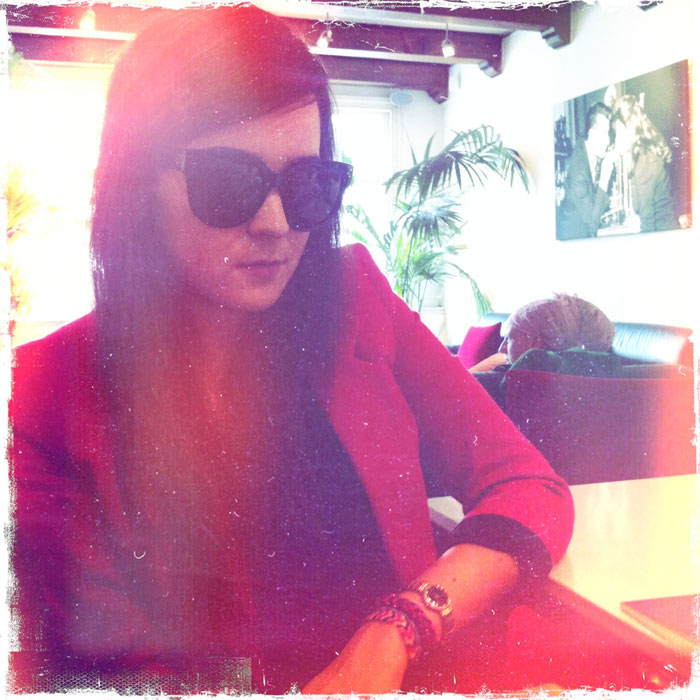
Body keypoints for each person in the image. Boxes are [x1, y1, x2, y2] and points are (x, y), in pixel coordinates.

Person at [9, 7, 573, 695]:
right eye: (228, 184)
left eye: (308, 186)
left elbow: (531, 486)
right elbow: (112, 673)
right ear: (137, 185)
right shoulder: (42, 394)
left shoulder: (355, 300)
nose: (275, 224)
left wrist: (401, 627)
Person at [471, 294, 618, 405]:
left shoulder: (497, 384)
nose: (501, 348)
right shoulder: (611, 379)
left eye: (509, 339)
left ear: (537, 343)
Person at [610, 94, 676, 233]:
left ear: (631, 131)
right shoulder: (638, 156)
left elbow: (647, 225)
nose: (616, 141)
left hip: (663, 236)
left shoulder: (645, 161)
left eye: (619, 133)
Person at [556, 102, 616, 240]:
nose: (608, 141)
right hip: (573, 239)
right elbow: (592, 223)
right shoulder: (579, 170)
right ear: (592, 134)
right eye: (604, 133)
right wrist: (605, 177)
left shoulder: (589, 152)